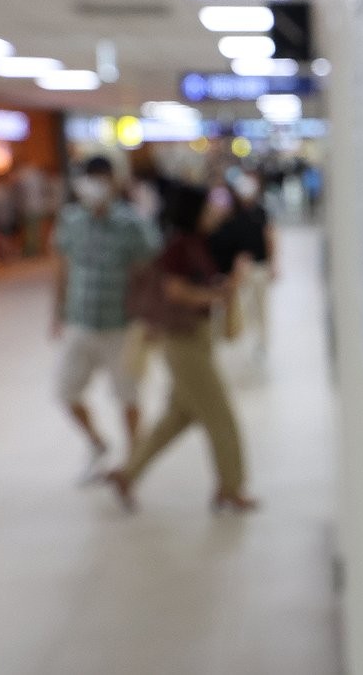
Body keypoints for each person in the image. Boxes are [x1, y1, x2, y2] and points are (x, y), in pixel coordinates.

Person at [106, 184, 258, 513]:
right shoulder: (178, 247)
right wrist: (218, 296)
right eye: (208, 208)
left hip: (196, 338)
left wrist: (221, 288)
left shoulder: (195, 244)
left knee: (178, 417)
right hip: (183, 342)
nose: (215, 213)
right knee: (220, 416)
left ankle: (128, 474)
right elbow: (175, 292)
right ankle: (231, 487)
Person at [52, 156, 160, 480]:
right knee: (66, 392)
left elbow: (148, 272)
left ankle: (132, 463)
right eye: (91, 178)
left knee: (128, 396)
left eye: (103, 178)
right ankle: (97, 443)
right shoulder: (71, 220)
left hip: (121, 326)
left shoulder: (133, 224)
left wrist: (150, 317)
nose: (97, 186)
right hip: (81, 321)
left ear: (115, 182)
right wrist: (57, 311)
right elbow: (63, 266)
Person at [209, 173, 277, 370]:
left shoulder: (261, 212)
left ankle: (262, 343)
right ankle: (241, 341)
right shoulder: (233, 216)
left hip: (259, 266)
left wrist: (273, 263)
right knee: (243, 307)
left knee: (261, 307)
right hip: (241, 271)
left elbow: (269, 237)